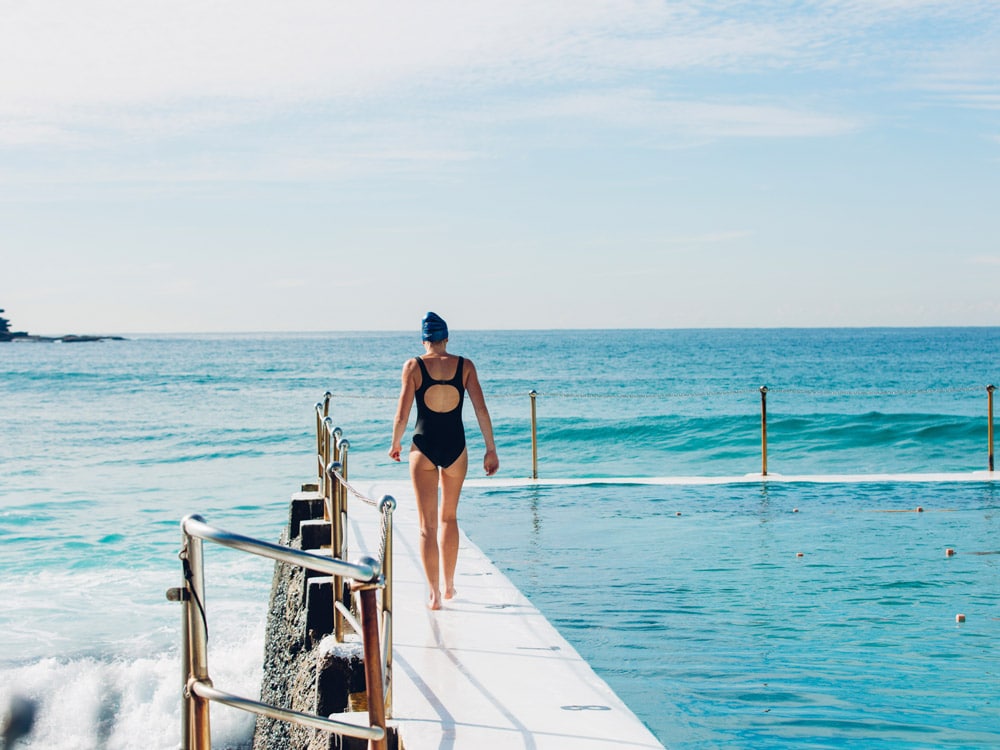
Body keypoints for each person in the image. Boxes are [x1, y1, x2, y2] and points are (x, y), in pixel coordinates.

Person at [389, 312, 499, 610]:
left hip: (422, 447)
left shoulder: (413, 366)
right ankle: (450, 585)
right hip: (456, 448)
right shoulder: (465, 366)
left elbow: (402, 414)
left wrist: (395, 442)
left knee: (427, 526)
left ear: (424, 339)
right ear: (446, 337)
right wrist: (490, 449)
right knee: (449, 518)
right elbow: (481, 410)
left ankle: (435, 594)